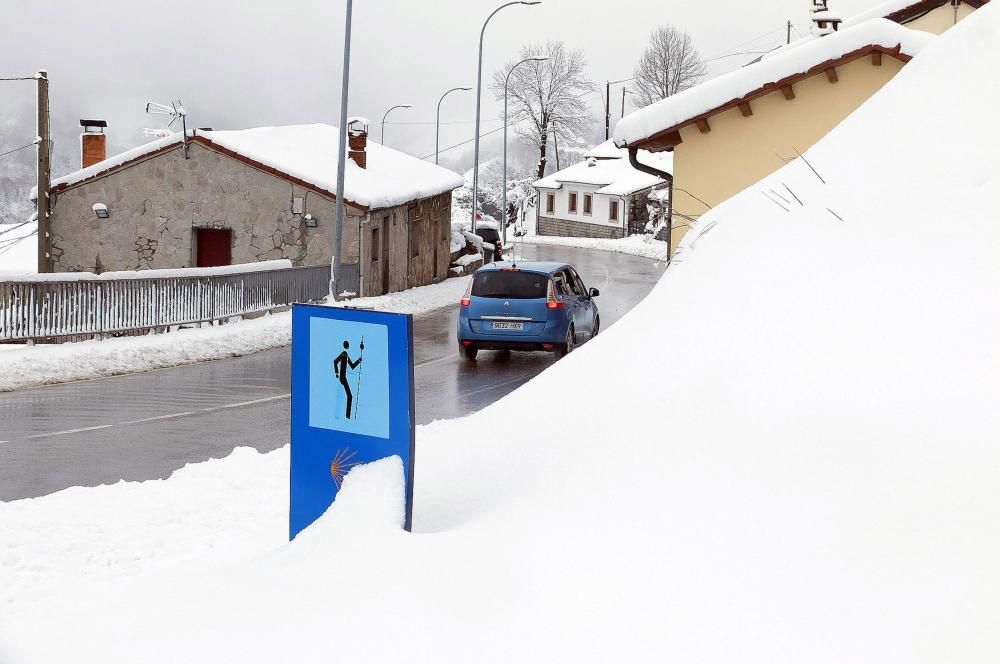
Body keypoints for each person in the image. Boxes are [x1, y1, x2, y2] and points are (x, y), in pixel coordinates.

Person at [333, 340, 362, 419]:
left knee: (349, 396)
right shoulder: (343, 354)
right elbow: (335, 362)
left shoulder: (346, 355)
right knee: (349, 396)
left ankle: (347, 416)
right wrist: (336, 373)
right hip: (342, 378)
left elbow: (352, 366)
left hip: (343, 378)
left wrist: (358, 361)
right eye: (348, 345)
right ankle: (347, 416)